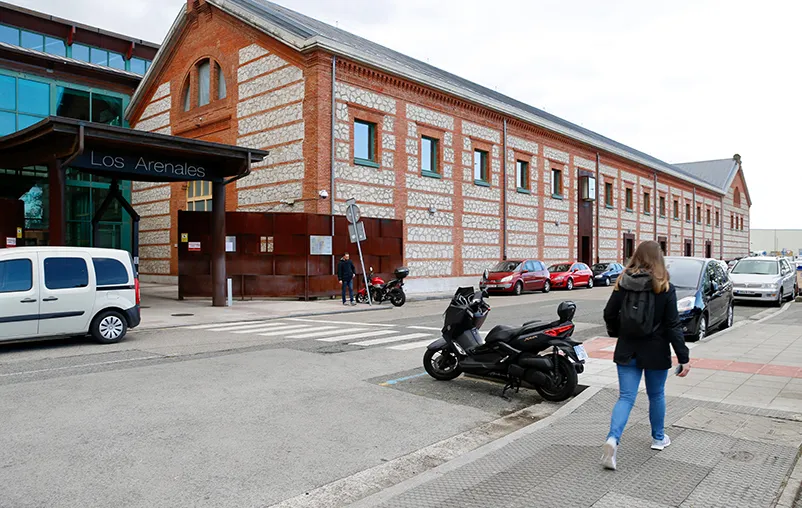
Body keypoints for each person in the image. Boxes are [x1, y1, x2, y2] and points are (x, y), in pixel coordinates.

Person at [600, 240, 690, 471]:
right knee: (656, 394)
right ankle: (659, 439)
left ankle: (612, 439)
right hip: (656, 349)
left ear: (636, 256)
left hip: (627, 348)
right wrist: (683, 356)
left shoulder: (623, 282)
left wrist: (618, 333)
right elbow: (673, 325)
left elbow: (609, 313)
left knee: (626, 397)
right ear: (658, 258)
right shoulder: (664, 286)